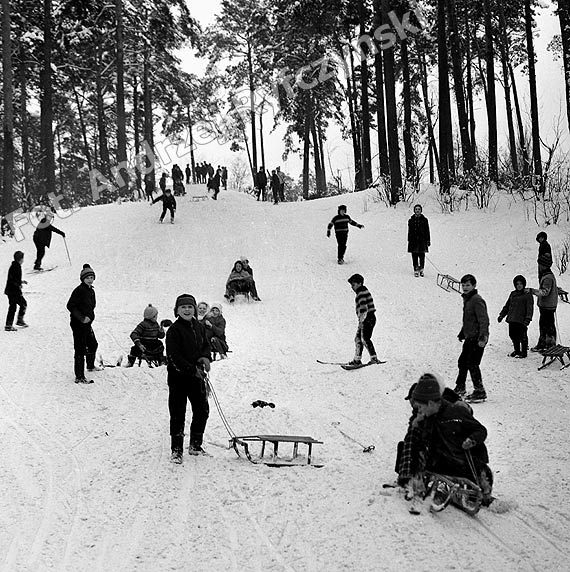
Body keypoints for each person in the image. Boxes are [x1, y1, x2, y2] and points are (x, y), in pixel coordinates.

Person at [397, 373, 493, 507]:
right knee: (407, 444)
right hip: (442, 459)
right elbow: (412, 443)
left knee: (478, 485)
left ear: (430, 404)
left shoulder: (455, 412)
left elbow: (480, 430)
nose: (417, 411)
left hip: (464, 461)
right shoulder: (423, 417)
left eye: (420, 407)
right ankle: (416, 478)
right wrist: (408, 472)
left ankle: (482, 490)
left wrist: (472, 440)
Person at [166, 293, 211, 463]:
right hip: (178, 379)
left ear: (195, 309)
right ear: (177, 310)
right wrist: (192, 369)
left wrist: (205, 357)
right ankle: (176, 450)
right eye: (183, 307)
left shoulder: (199, 327)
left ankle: (195, 445)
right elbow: (174, 357)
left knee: (202, 410)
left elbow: (206, 345)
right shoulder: (174, 331)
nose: (187, 310)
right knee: (178, 414)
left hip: (196, 378)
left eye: (190, 307)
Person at [454, 274, 489, 402]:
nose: (465, 287)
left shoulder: (476, 300)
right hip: (470, 337)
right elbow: (469, 320)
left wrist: (483, 337)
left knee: (473, 364)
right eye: (463, 285)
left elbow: (483, 320)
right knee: (462, 362)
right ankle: (460, 387)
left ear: (474, 286)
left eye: (467, 285)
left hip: (477, 338)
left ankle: (479, 391)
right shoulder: (468, 299)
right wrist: (463, 332)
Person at [66, 264, 100, 384]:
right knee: (80, 349)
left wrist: (90, 318)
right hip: (78, 324)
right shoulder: (79, 290)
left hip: (87, 324)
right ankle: (79, 376)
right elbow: (70, 305)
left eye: (91, 277)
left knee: (92, 344)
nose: (90, 279)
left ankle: (90, 366)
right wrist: (81, 318)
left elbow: (91, 307)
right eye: (87, 278)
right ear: (82, 279)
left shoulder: (90, 290)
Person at [347, 274, 379, 366]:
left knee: (364, 338)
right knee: (358, 339)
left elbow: (364, 308)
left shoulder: (361, 292)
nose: (352, 287)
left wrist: (362, 321)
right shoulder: (362, 292)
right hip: (367, 318)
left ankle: (374, 358)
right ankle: (357, 360)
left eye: (353, 284)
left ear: (359, 283)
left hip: (367, 318)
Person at [497, 275, 534, 358]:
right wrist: (501, 315)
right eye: (517, 284)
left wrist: (528, 319)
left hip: (521, 319)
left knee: (522, 336)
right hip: (512, 318)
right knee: (513, 335)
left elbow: (530, 308)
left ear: (524, 284)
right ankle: (517, 350)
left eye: (521, 284)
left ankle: (524, 352)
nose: (519, 285)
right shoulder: (513, 294)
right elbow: (507, 305)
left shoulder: (527, 295)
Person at [530, 257, 558, 351]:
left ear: (545, 265)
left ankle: (549, 346)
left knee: (547, 325)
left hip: (548, 306)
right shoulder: (547, 275)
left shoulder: (548, 278)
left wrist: (532, 291)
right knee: (545, 324)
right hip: (547, 306)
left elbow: (544, 292)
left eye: (541, 264)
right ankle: (545, 344)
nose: (539, 266)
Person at [4, 251, 28, 331]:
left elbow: (14, 278)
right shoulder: (16, 267)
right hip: (14, 291)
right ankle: (19, 321)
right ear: (20, 259)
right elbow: (13, 280)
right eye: (22, 259)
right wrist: (18, 284)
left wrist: (21, 282)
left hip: (10, 290)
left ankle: (9, 324)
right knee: (23, 304)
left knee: (13, 306)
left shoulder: (14, 265)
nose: (23, 261)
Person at [407, 204, 431, 277]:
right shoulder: (411, 220)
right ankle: (416, 269)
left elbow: (427, 230)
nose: (417, 211)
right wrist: (409, 239)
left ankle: (421, 269)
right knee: (414, 256)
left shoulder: (424, 220)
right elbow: (409, 231)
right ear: (414, 211)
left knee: (422, 256)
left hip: (422, 241)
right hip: (413, 241)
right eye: (416, 209)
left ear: (421, 211)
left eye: (419, 209)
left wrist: (428, 240)